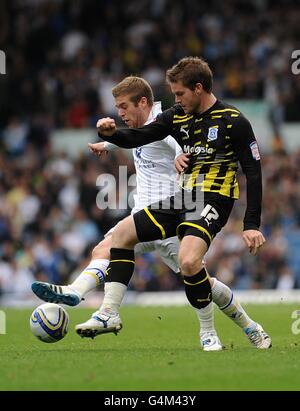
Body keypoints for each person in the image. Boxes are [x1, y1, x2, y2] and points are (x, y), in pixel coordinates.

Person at [32, 74, 270, 351]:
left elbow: (184, 141)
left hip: (180, 211)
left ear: (143, 102)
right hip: (150, 214)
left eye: (123, 107)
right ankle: (90, 300)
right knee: (107, 246)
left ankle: (243, 326)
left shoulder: (174, 119)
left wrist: (181, 155)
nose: (120, 114)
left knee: (197, 276)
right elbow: (138, 136)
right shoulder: (149, 124)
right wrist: (108, 142)